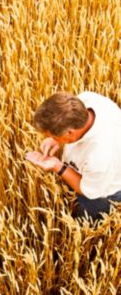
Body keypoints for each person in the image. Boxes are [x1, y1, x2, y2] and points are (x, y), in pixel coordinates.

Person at [26, 91, 121, 220]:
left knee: (87, 219)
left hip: (104, 192)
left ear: (70, 133)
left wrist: (58, 166)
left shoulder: (99, 157)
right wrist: (56, 139)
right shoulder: (86, 100)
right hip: (97, 170)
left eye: (52, 136)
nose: (49, 139)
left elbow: (87, 190)